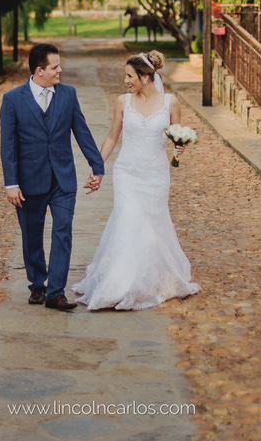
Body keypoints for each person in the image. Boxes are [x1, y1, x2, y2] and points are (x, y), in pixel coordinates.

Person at [72, 50, 200, 311]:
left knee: (150, 229)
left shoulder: (171, 102)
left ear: (145, 77)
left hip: (155, 175)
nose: (126, 81)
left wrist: (179, 150)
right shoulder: (122, 102)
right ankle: (120, 283)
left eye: (130, 76)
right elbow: (111, 138)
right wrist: (97, 168)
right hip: (127, 173)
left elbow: (177, 136)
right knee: (129, 222)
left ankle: (150, 281)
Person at [0, 43, 106, 310]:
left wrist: (98, 166)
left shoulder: (68, 95)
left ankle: (55, 292)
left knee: (62, 232)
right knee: (31, 235)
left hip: (62, 179)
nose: (60, 70)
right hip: (28, 181)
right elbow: (8, 146)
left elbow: (82, 131)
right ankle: (37, 285)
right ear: (39, 71)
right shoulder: (13, 99)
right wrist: (11, 183)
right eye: (55, 66)